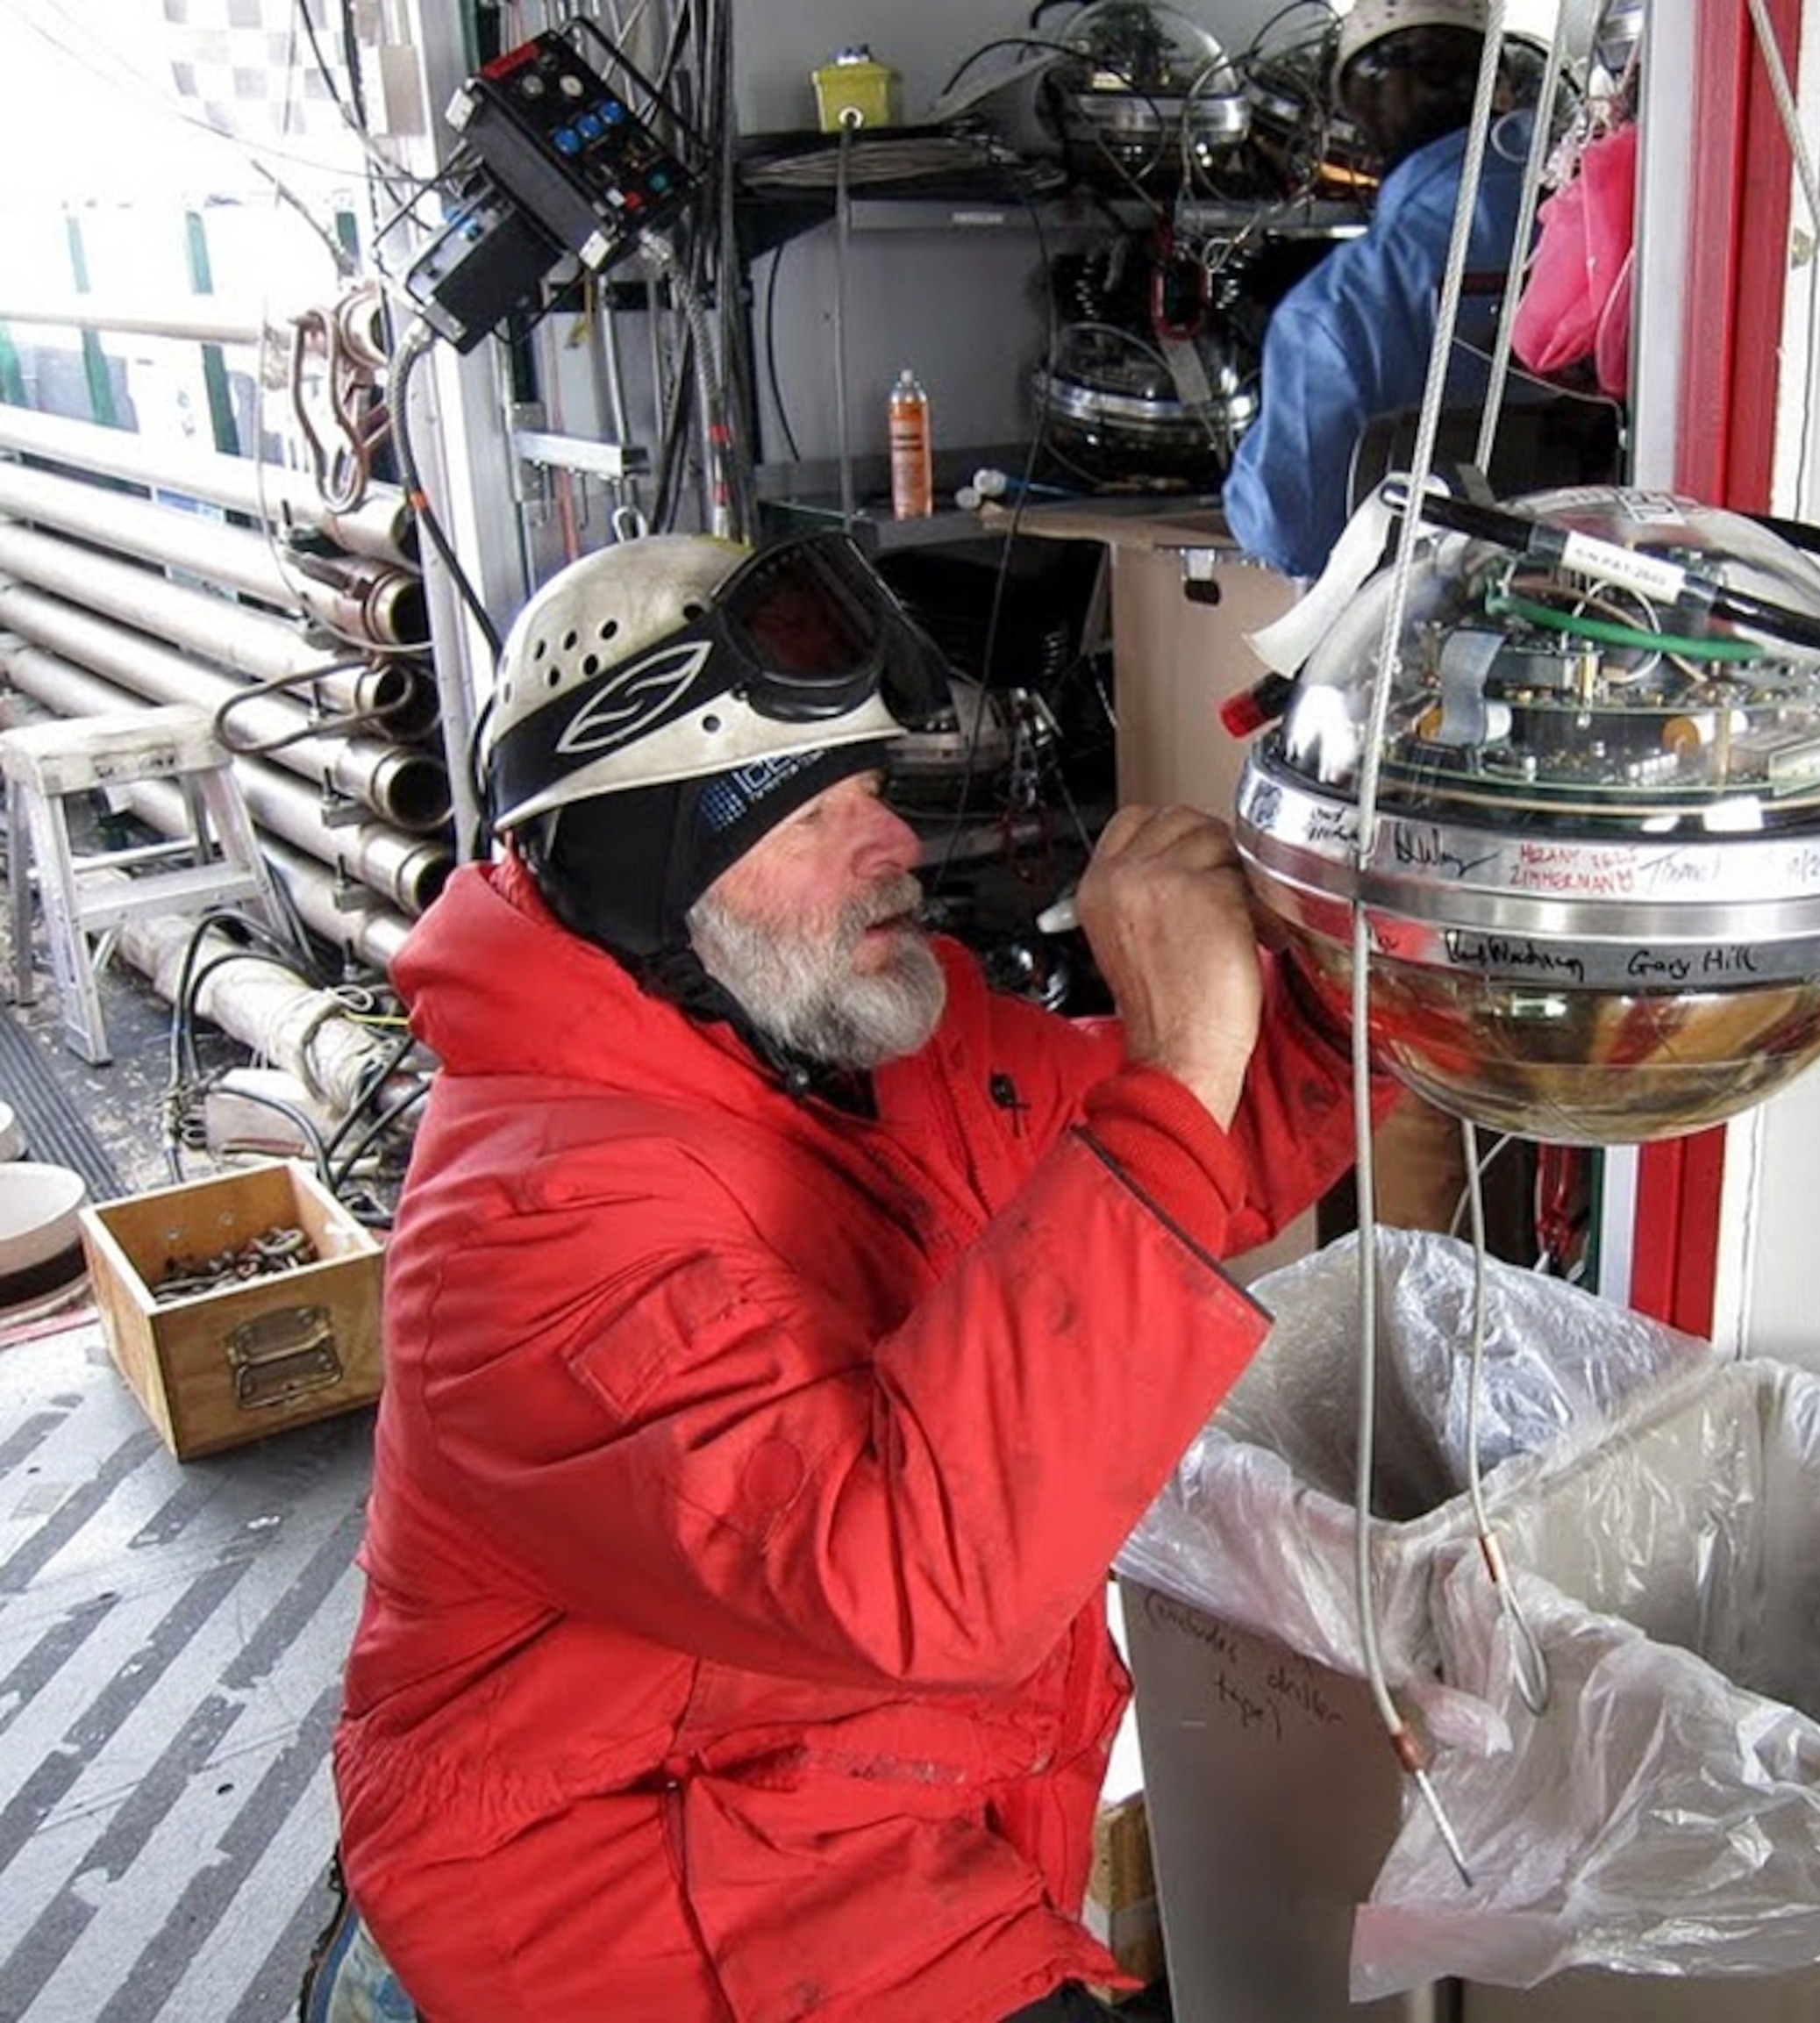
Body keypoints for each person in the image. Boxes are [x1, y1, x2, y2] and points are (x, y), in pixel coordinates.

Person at [331, 528, 1376, 2020]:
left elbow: (1205, 1154)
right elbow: (913, 1576)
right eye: (818, 810)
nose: (896, 841)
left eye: (874, 788)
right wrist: (1174, 1059)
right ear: (657, 863)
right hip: (629, 1897)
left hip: (876, 1814)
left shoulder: (856, 1038)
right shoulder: (525, 1227)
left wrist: (1378, 967)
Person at [1222, 0, 1534, 579]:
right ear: (1504, 85)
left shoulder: (1334, 309)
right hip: (1615, 611)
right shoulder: (1606, 232)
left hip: (1414, 633)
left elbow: (1287, 532)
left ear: (1360, 115)